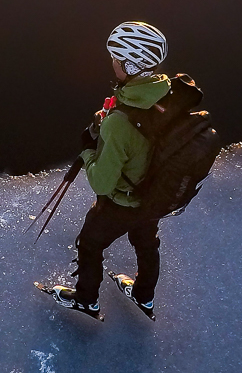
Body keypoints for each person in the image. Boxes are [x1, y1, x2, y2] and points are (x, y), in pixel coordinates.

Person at [48, 21, 171, 319]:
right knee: (146, 242)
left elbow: (103, 184)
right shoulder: (167, 93)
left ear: (130, 64)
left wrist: (88, 150)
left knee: (89, 243)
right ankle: (144, 296)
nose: (112, 62)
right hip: (156, 194)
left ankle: (86, 300)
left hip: (124, 201)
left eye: (116, 58)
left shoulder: (119, 123)